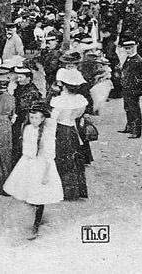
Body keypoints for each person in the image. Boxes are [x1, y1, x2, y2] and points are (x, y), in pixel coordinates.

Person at [3, 102, 63, 240]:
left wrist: (46, 174)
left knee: (40, 195)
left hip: (41, 165)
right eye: (31, 117)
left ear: (43, 119)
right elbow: (26, 147)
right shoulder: (28, 128)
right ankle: (31, 213)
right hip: (28, 163)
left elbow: (49, 154)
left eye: (37, 118)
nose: (34, 120)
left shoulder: (47, 133)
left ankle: (35, 225)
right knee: (26, 190)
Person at [51, 68, 89, 200]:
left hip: (61, 130)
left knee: (62, 160)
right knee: (73, 159)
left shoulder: (60, 101)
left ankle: (63, 190)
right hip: (72, 129)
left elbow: (53, 119)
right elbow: (78, 115)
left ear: (64, 86)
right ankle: (75, 191)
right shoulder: (80, 100)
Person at [119, 37, 142, 139]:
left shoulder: (139, 61)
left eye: (130, 48)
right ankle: (130, 127)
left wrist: (137, 89)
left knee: (134, 110)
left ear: (135, 48)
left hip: (133, 89)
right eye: (126, 48)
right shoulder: (129, 59)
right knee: (127, 108)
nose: (128, 50)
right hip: (126, 88)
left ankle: (136, 131)